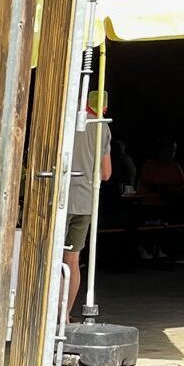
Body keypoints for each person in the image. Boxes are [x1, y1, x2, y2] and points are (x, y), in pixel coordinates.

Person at [64, 92, 110, 318]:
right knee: (72, 260)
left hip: (61, 198)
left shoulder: (66, 121)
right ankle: (64, 316)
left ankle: (45, 312)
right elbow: (106, 173)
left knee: (52, 258)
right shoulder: (103, 127)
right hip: (85, 203)